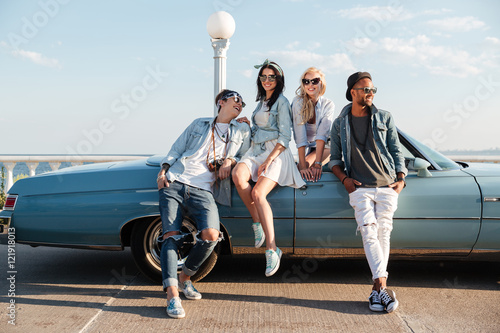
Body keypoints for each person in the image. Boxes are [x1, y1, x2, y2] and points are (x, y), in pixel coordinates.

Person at [157, 89, 251, 319]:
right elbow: (177, 149)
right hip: (175, 182)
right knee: (171, 236)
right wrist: (164, 170)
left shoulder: (241, 129)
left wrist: (231, 159)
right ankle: (172, 296)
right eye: (236, 99)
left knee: (211, 234)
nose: (241, 103)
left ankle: (185, 278)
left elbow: (249, 154)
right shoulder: (199, 124)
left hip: (205, 189)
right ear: (222, 102)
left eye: (243, 102)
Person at [328, 72, 407, 313]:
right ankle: (381, 287)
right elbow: (334, 159)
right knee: (368, 231)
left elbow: (396, 151)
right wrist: (345, 180)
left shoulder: (385, 117)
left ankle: (377, 291)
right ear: (353, 92)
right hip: (359, 188)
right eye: (365, 89)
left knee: (384, 232)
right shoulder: (340, 123)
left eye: (373, 89)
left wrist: (401, 179)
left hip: (386, 185)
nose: (370, 93)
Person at [232, 59, 305, 277]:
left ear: (278, 79)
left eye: (271, 77)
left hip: (277, 152)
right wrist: (248, 123)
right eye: (263, 76)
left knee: (257, 192)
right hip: (255, 150)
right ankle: (257, 222)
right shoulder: (260, 101)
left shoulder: (281, 102)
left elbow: (285, 135)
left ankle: (272, 249)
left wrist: (269, 160)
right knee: (238, 175)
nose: (266, 80)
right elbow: (261, 127)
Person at [291, 67, 335, 182]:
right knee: (300, 169)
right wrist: (303, 166)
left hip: (326, 147)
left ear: (321, 83)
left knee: (309, 168)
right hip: (306, 147)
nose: (310, 85)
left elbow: (322, 136)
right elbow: (300, 136)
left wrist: (318, 164)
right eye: (306, 81)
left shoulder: (328, 104)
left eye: (314, 81)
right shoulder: (297, 102)